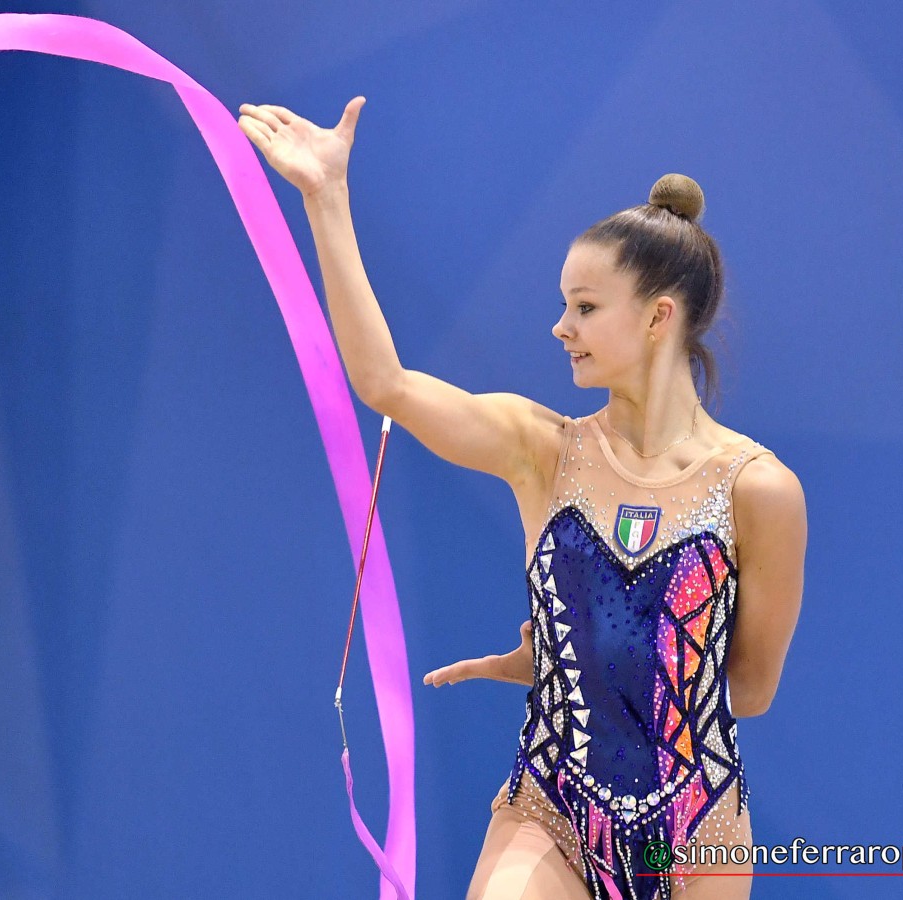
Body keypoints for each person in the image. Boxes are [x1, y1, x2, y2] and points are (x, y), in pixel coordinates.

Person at [237, 98, 806, 899]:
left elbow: (750, 688)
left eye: (585, 307)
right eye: (564, 305)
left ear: (658, 317)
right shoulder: (542, 448)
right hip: (552, 808)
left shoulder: (758, 488)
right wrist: (326, 197)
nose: (559, 327)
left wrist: (610, 660)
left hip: (695, 827)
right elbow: (386, 383)